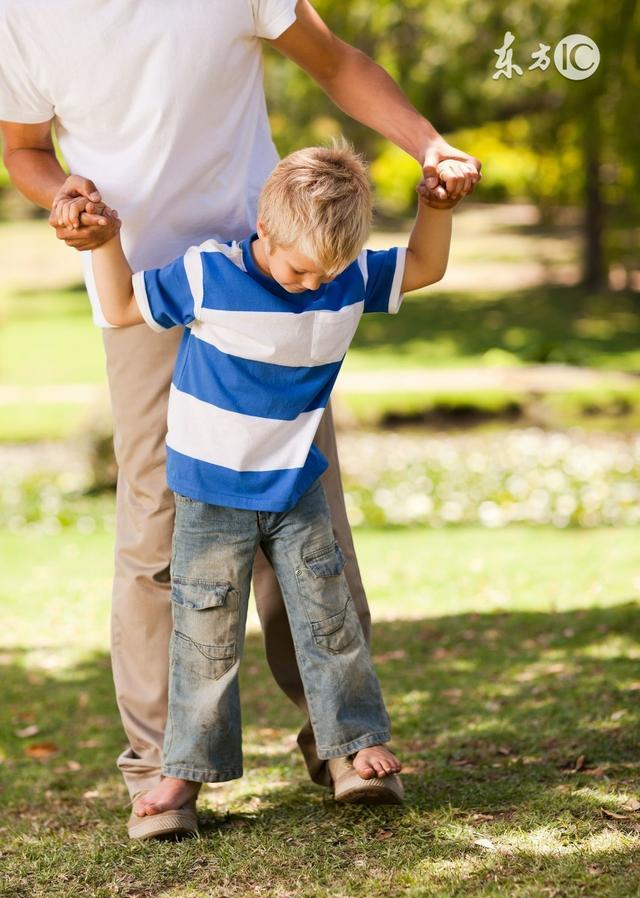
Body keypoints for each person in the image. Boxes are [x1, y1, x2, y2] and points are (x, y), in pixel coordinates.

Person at [0, 0, 480, 839]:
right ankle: (163, 769)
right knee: (159, 531)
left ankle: (339, 744)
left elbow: (335, 62)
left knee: (307, 520)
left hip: (283, 267)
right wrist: (66, 199)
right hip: (146, 281)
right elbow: (23, 151)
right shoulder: (21, 16)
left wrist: (428, 146)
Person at [87, 141, 461, 837]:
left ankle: (354, 744)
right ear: (264, 230)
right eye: (298, 267)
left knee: (329, 616)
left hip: (295, 490)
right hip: (210, 495)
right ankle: (182, 773)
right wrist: (107, 240)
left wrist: (433, 207)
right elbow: (116, 305)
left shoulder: (342, 277)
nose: (310, 283)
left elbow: (426, 265)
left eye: (328, 273)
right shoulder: (208, 274)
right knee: (205, 635)